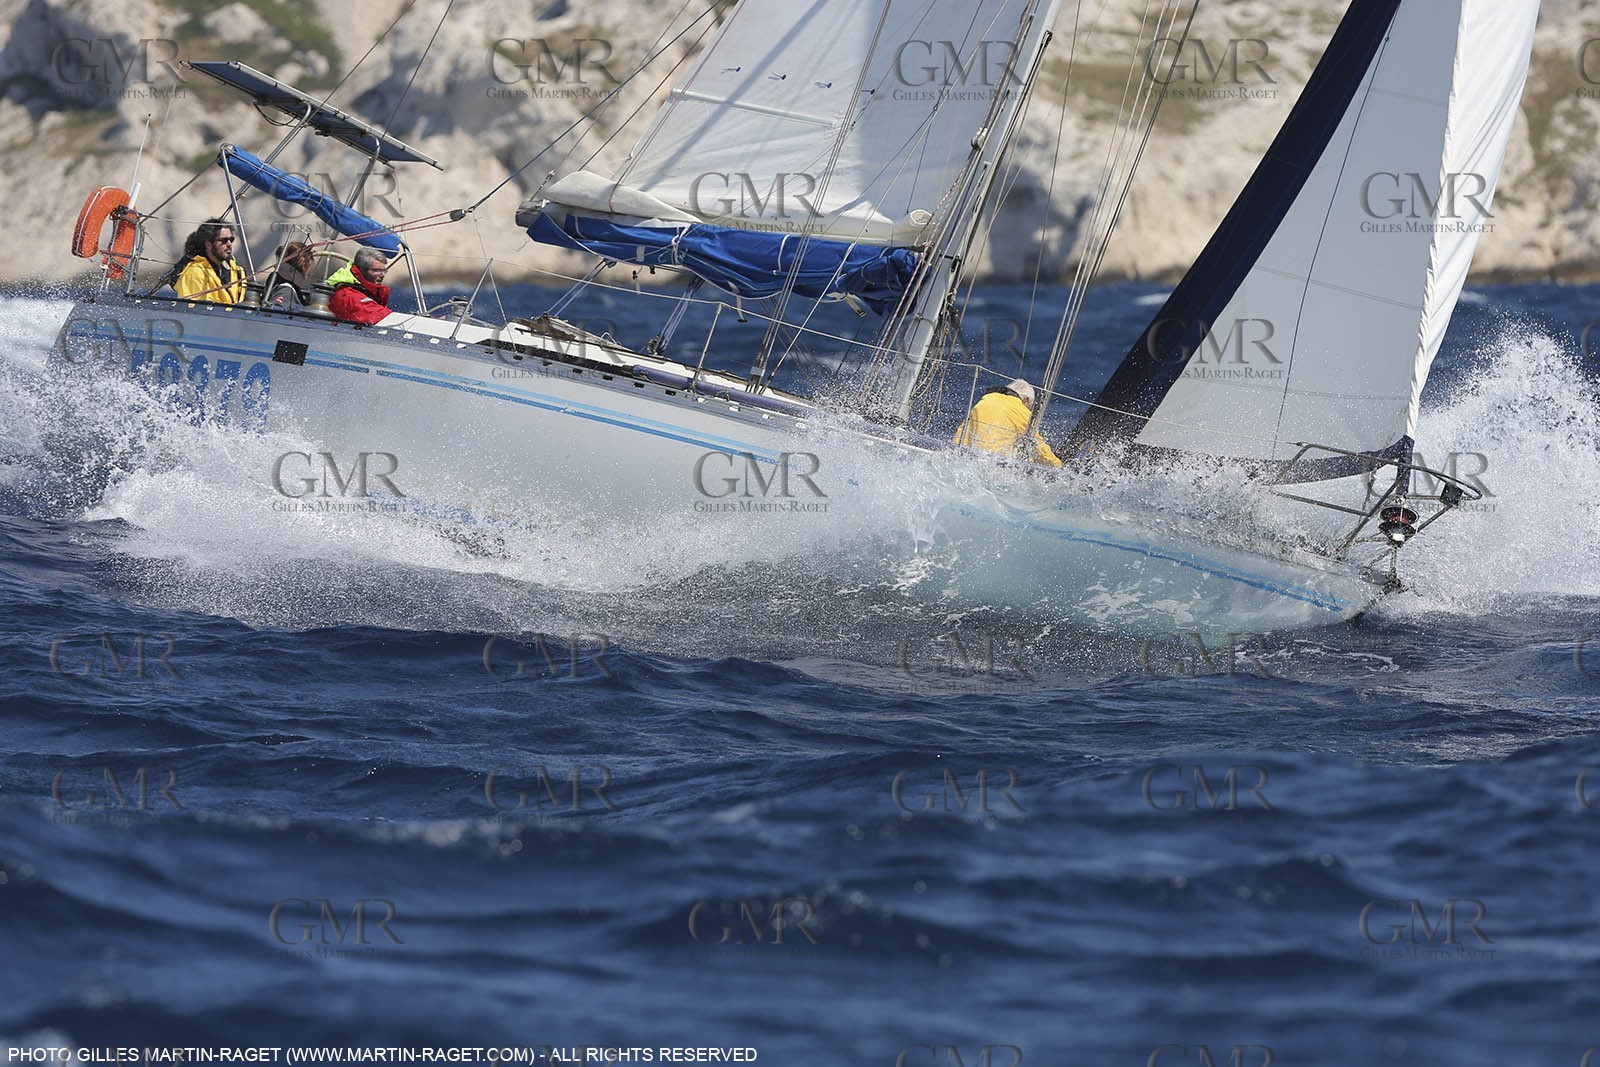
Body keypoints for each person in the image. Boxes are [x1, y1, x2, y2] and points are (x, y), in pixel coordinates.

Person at [953, 378, 1063, 468]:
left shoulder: (986, 400)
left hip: (968, 460)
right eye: (1029, 406)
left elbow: (962, 433)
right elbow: (1039, 448)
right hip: (996, 466)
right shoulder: (1021, 410)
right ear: (1025, 400)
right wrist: (1060, 467)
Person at [172, 218, 245, 303]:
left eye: (231, 240)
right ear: (208, 244)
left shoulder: (237, 271)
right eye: (224, 240)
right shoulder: (194, 273)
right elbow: (191, 311)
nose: (229, 244)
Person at [327, 248, 394, 325]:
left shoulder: (362, 289)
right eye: (377, 270)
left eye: (384, 270)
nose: (382, 275)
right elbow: (376, 316)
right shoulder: (346, 294)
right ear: (361, 270)